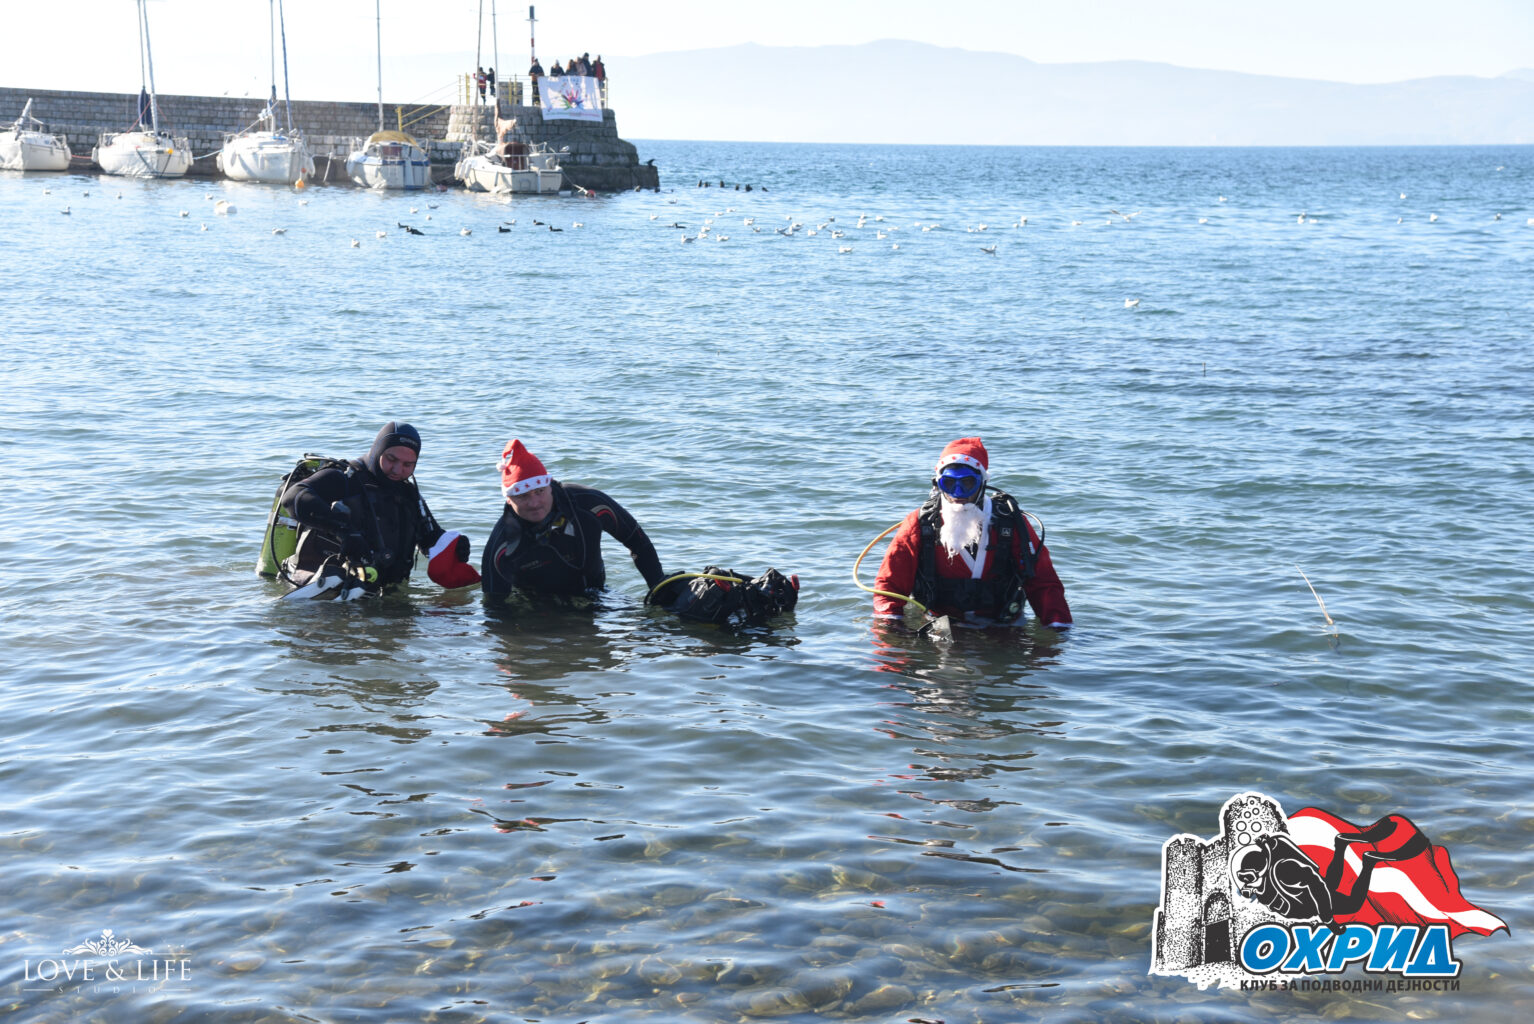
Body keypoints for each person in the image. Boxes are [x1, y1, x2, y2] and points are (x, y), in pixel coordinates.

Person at [874, 437, 1071, 628]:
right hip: (940, 626)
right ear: (938, 484)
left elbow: (1043, 582)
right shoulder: (920, 524)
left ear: (982, 483)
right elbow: (889, 585)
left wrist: (1058, 628)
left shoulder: (1009, 523)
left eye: (968, 484)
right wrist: (892, 629)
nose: (957, 494)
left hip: (1002, 627)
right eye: (949, 484)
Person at [279, 422, 481, 595]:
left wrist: (453, 546)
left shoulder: (409, 495)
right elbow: (292, 497)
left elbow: (430, 539)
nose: (397, 470)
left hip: (382, 598)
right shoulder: (344, 479)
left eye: (408, 464)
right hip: (323, 592)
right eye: (391, 459)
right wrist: (344, 531)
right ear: (377, 450)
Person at [482, 439, 671, 603]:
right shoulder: (501, 544)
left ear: (549, 486)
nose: (534, 503)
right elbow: (495, 607)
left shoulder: (588, 504)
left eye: (539, 491)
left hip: (597, 595)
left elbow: (636, 540)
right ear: (509, 499)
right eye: (523, 496)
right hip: (538, 608)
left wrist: (658, 588)